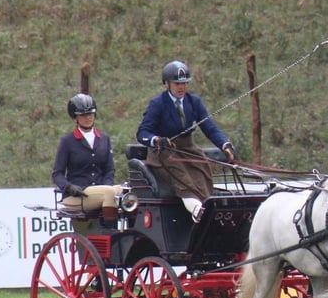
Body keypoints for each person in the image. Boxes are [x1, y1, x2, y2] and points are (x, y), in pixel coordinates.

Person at [136, 60, 236, 223]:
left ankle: (209, 208)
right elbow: (142, 133)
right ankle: (199, 213)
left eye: (184, 83)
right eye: (177, 83)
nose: (181, 87)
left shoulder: (194, 102)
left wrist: (225, 145)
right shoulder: (158, 104)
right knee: (183, 179)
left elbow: (210, 128)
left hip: (187, 148)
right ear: (167, 83)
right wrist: (157, 140)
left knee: (202, 173)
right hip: (163, 153)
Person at [52, 93, 122, 229]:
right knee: (109, 193)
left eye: (90, 113)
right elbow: (57, 174)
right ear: (76, 117)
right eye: (83, 115)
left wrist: (108, 186)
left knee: (123, 190)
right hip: (79, 194)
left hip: (102, 192)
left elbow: (109, 170)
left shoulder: (104, 139)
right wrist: (69, 187)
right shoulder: (67, 141)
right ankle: (110, 231)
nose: (88, 117)